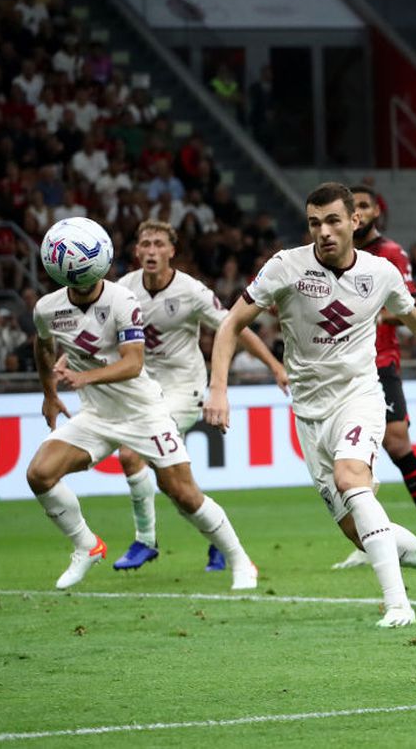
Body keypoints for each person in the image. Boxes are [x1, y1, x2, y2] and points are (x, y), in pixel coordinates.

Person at [204, 183, 416, 628]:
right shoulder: (285, 267)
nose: (323, 231)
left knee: (351, 478)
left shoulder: (381, 273)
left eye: (333, 221)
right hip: (308, 413)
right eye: (314, 223)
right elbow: (231, 323)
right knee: (360, 533)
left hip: (359, 398)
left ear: (354, 221)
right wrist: (219, 388)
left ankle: (398, 603)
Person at [28, 220, 257, 591]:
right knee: (39, 474)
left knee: (182, 492)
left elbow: (133, 362)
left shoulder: (121, 299)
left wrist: (84, 378)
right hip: (97, 416)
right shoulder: (47, 309)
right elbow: (42, 347)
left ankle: (239, 559)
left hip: (143, 412)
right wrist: (50, 394)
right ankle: (87, 546)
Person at [111, 221, 288, 572]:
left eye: (159, 244)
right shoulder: (122, 289)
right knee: (175, 484)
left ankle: (145, 541)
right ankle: (219, 543)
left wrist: (274, 366)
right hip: (144, 392)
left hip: (184, 390)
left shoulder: (191, 292)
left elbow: (233, 326)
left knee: (130, 454)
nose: (150, 250)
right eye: (145, 243)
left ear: (171, 251)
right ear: (136, 251)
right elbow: (97, 330)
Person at [331, 184, 416, 571]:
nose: (360, 212)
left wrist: (367, 313)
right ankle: (370, 536)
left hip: (380, 361)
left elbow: (412, 309)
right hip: (340, 367)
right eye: (355, 206)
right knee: (352, 457)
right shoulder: (334, 255)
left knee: (397, 443)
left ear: (374, 213)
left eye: (366, 206)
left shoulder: (390, 254)